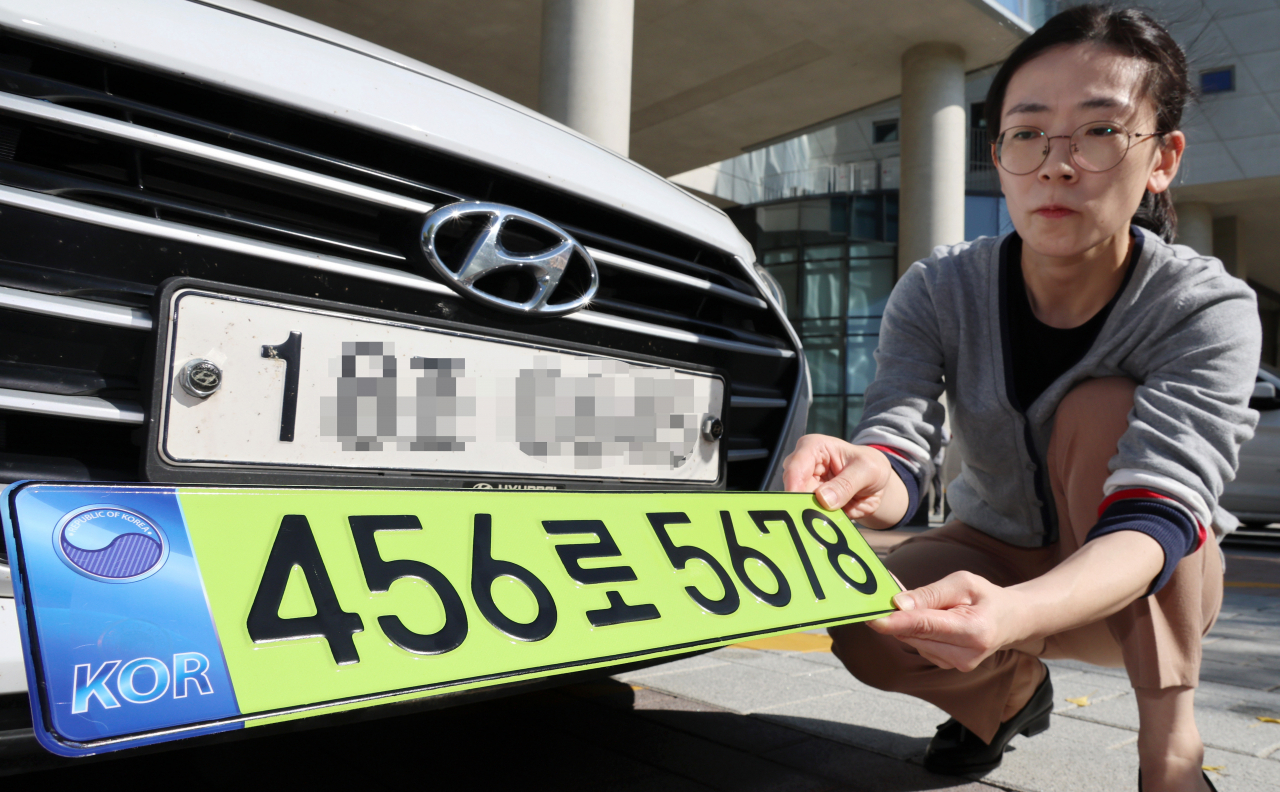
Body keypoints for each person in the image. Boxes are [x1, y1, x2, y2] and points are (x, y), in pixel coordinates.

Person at [782, 6, 1261, 792]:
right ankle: (1006, 699)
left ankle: (1171, 745)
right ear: (998, 153)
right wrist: (867, 463)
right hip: (992, 548)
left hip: (1143, 583)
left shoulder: (1202, 307)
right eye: (1029, 132)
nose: (1057, 165)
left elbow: (1160, 513)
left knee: (1100, 407)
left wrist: (1014, 615)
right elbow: (902, 440)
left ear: (1164, 158)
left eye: (1100, 132)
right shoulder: (939, 288)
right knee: (864, 617)